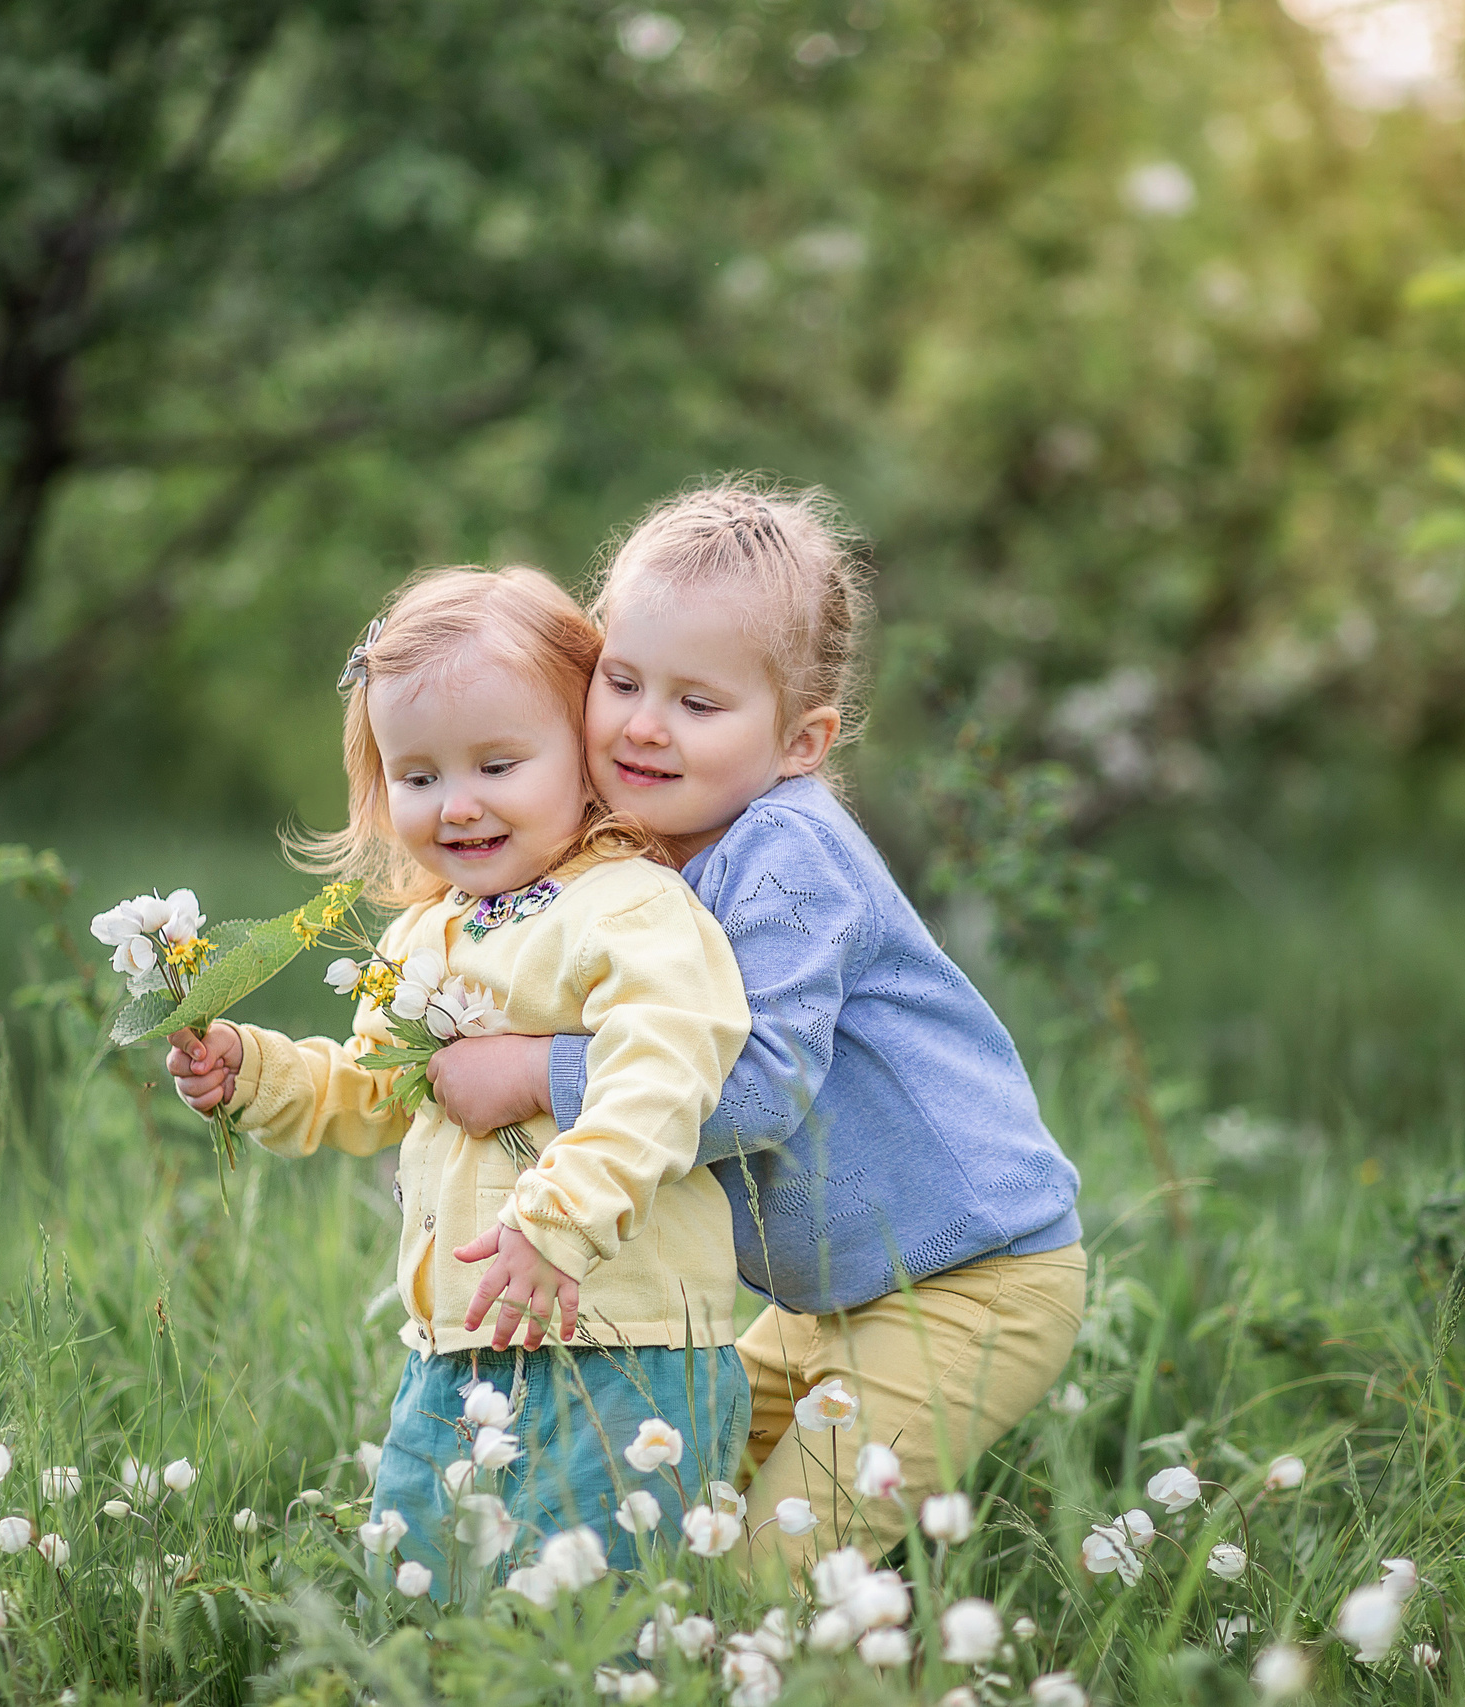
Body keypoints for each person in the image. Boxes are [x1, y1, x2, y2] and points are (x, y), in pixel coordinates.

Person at [427, 481, 1086, 1572]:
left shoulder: (788, 858)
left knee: (766, 1570)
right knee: (669, 1526)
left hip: (972, 1284)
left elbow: (755, 1086)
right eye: (623, 682)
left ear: (799, 740)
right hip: (824, 1301)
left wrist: (543, 1072)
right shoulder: (639, 849)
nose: (642, 724)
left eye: (698, 703)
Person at [164, 566, 752, 1598]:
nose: (458, 804)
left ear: (585, 756)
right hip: (455, 1351)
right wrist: (254, 1071)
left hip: (618, 1339)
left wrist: (556, 1221)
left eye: (497, 763)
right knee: (422, 1584)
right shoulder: (422, 934)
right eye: (419, 776)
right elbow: (373, 1089)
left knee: (588, 1607)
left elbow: (661, 1075)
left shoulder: (626, 910)